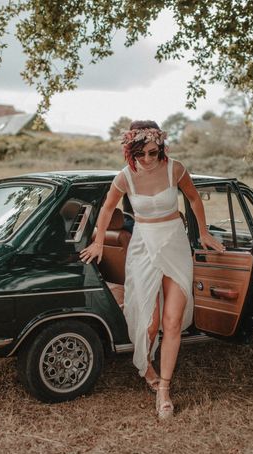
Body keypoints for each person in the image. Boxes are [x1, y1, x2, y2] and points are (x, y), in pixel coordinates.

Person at [80, 120, 224, 420]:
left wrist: (205, 232)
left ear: (162, 149)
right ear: (130, 152)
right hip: (143, 245)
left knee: (171, 322)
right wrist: (98, 243)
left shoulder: (176, 169)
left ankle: (164, 390)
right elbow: (107, 208)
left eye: (153, 153)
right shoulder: (125, 177)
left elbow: (194, 198)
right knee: (149, 320)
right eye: (141, 154)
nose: (147, 160)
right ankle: (146, 367)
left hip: (174, 242)